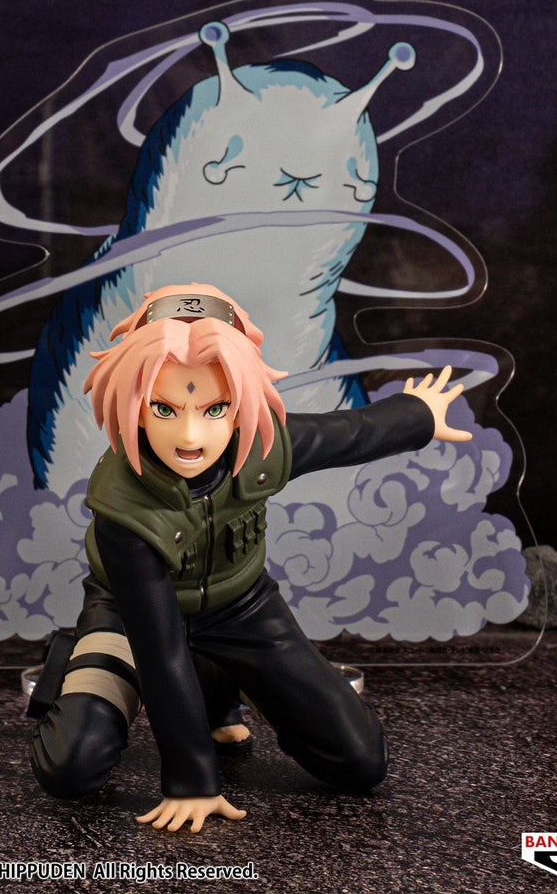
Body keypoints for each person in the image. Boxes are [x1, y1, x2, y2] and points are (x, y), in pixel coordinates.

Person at [29, 283, 472, 832]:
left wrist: (419, 414)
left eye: (214, 409)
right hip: (128, 619)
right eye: (164, 408)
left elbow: (349, 434)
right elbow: (161, 651)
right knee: (73, 765)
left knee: (360, 760)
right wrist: (192, 782)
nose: (190, 435)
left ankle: (229, 679)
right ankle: (77, 661)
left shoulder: (260, 445)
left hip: (242, 609)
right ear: (135, 407)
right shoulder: (123, 507)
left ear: (240, 406)